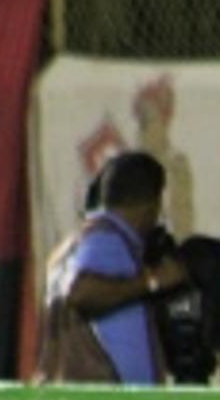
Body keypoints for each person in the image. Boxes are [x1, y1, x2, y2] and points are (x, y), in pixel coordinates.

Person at [34, 150, 186, 385]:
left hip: (81, 398)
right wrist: (152, 280)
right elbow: (80, 291)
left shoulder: (71, 243)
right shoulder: (106, 239)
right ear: (151, 203)